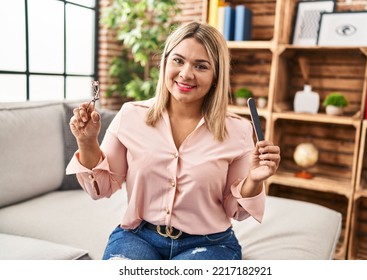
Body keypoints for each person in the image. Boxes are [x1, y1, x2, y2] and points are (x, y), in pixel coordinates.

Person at [66, 21, 280, 260]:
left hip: (210, 243)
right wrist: (87, 143)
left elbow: (236, 211)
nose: (186, 74)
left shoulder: (238, 130)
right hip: (138, 236)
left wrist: (253, 179)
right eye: (178, 60)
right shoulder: (130, 115)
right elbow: (101, 189)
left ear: (216, 76)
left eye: (201, 66)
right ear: (165, 62)